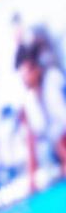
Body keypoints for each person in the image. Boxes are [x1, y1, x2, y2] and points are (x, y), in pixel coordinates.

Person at [17, 39, 66, 189]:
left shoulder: (55, 80)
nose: (24, 79)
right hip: (57, 158)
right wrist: (31, 180)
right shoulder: (28, 101)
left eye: (26, 73)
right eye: (21, 75)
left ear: (37, 68)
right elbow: (30, 141)